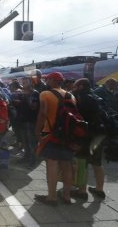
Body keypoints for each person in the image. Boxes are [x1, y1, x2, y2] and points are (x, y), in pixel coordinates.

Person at [35, 72, 74, 206]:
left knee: (52, 164)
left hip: (51, 134)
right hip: (68, 135)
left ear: (52, 80)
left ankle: (52, 197)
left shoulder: (45, 94)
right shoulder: (71, 96)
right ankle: (66, 195)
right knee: (66, 164)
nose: (46, 82)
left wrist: (37, 131)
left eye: (48, 79)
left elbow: (42, 114)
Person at [71, 78, 106, 200]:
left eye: (75, 86)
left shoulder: (80, 98)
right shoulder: (96, 97)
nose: (73, 88)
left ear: (80, 86)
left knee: (82, 162)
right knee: (97, 163)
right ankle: (99, 189)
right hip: (99, 134)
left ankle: (82, 191)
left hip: (86, 135)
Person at [20, 77, 40, 168]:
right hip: (23, 120)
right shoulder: (22, 93)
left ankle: (33, 161)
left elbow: (34, 107)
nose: (23, 84)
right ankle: (26, 157)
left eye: (25, 82)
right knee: (25, 141)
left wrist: (26, 97)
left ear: (30, 83)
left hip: (31, 121)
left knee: (32, 142)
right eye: (23, 82)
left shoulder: (34, 93)